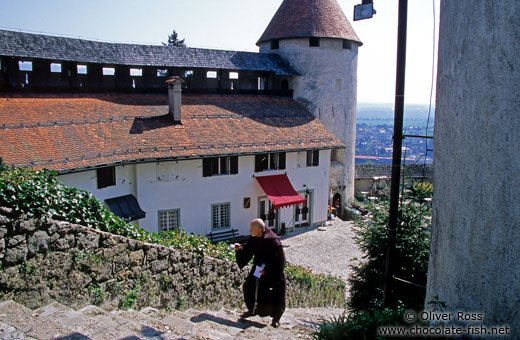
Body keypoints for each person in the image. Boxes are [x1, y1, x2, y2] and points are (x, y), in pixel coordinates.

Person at [233, 218, 286, 328]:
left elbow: (280, 261)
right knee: (248, 286)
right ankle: (252, 310)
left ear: (260, 229)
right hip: (258, 269)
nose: (251, 231)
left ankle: (276, 318)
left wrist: (268, 270)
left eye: (253, 229)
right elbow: (247, 250)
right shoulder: (255, 238)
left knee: (275, 294)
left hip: (273, 272)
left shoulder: (273, 241)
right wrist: (239, 248)